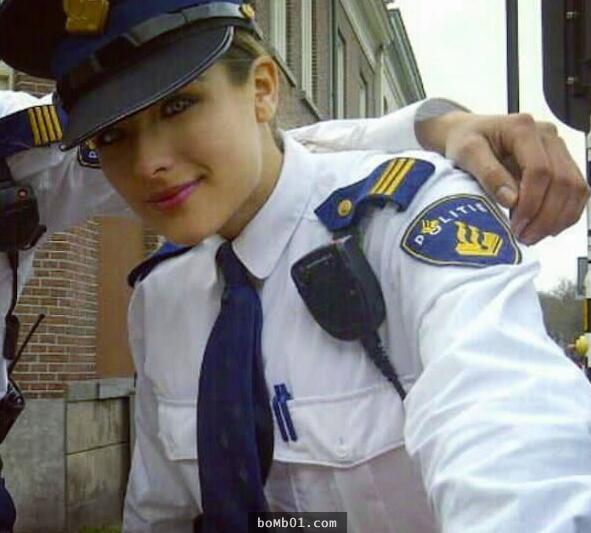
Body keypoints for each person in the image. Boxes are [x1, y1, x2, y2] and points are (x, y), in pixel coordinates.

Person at [0, 1, 590, 532]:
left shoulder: (409, 225)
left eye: (179, 104)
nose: (148, 162)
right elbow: (161, 511)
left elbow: (511, 438)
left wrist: (431, 126)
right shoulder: (161, 297)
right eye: (112, 136)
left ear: (264, 88)